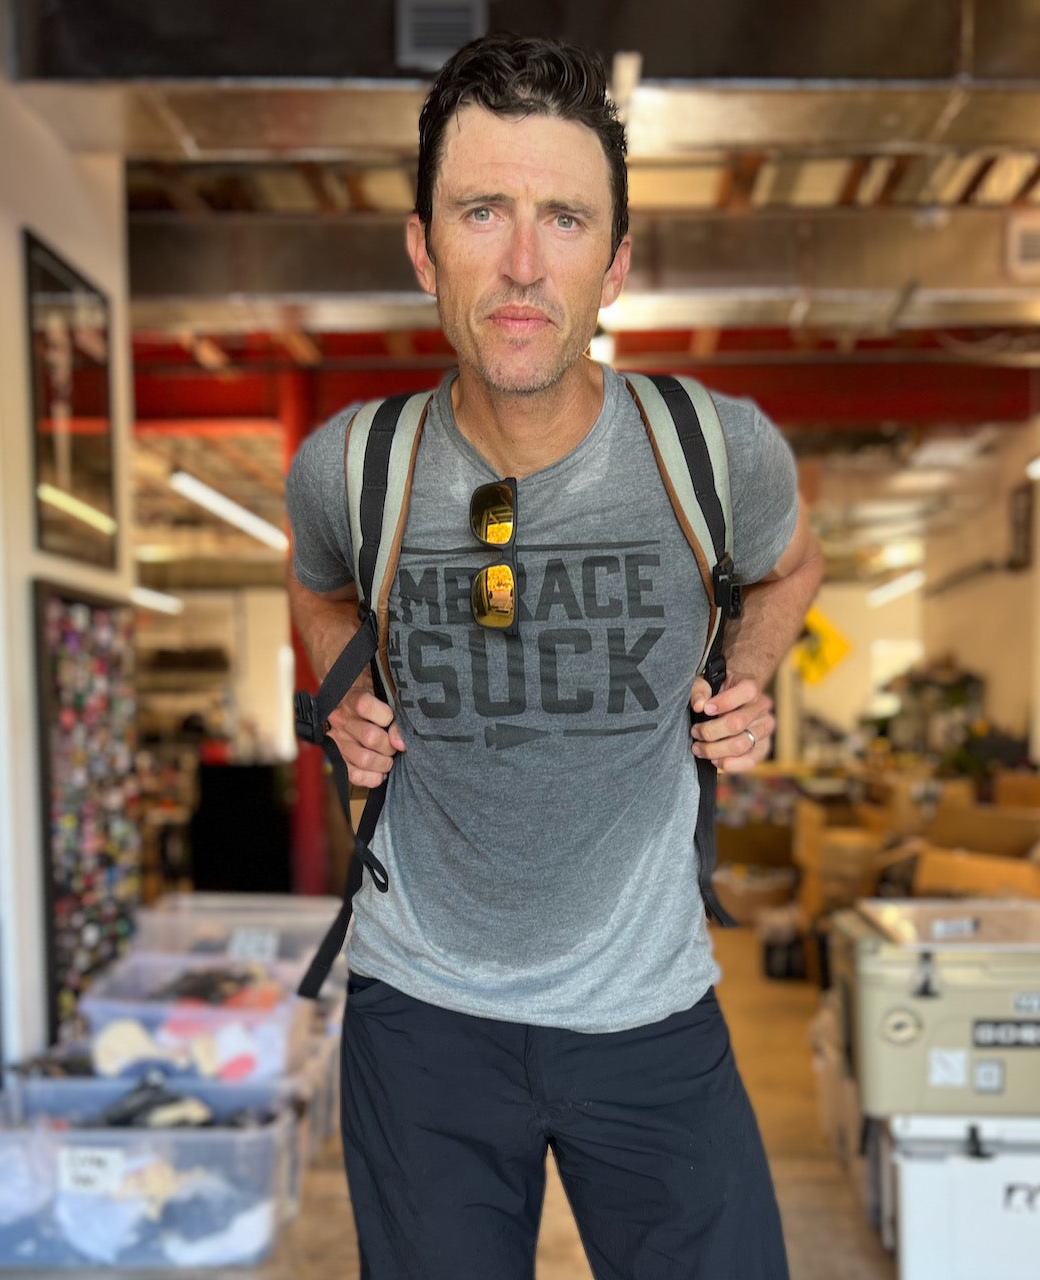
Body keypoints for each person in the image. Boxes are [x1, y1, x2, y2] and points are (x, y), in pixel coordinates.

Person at [285, 32, 823, 1280]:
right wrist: (339, 687)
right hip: (419, 1015)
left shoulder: (715, 450)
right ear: (423, 245)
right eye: (482, 210)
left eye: (565, 219)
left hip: (648, 1006)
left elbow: (795, 569)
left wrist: (746, 672)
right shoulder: (350, 468)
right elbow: (314, 590)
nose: (523, 263)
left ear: (616, 263)